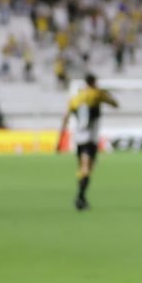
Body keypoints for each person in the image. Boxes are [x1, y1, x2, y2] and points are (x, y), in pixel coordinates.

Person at [58, 74, 118, 211]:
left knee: (82, 168)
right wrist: (106, 94)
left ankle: (81, 198)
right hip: (90, 137)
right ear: (94, 82)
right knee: (87, 168)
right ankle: (79, 198)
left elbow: (66, 117)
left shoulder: (75, 98)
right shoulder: (97, 94)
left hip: (78, 137)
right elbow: (115, 104)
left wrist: (60, 139)